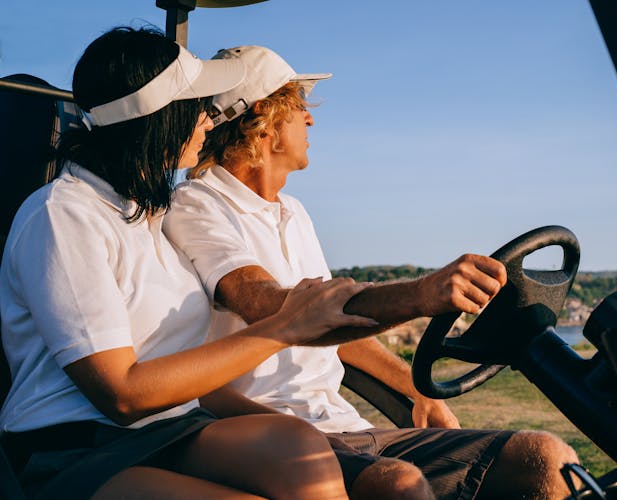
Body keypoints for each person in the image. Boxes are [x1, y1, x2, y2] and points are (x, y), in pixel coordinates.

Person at [163, 45, 580, 499]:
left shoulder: (294, 213)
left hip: (344, 425)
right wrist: (422, 294)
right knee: (398, 487)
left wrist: (420, 391)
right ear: (264, 115)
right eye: (300, 107)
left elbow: (338, 323)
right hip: (264, 439)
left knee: (546, 460)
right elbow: (267, 305)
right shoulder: (197, 206)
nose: (311, 120)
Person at [0, 28, 378, 500]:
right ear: (158, 116)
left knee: (299, 448)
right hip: (78, 444)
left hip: (169, 427)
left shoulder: (148, 215)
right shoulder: (62, 215)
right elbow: (123, 395)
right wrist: (283, 327)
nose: (207, 119)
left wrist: (297, 426)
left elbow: (175, 369)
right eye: (196, 104)